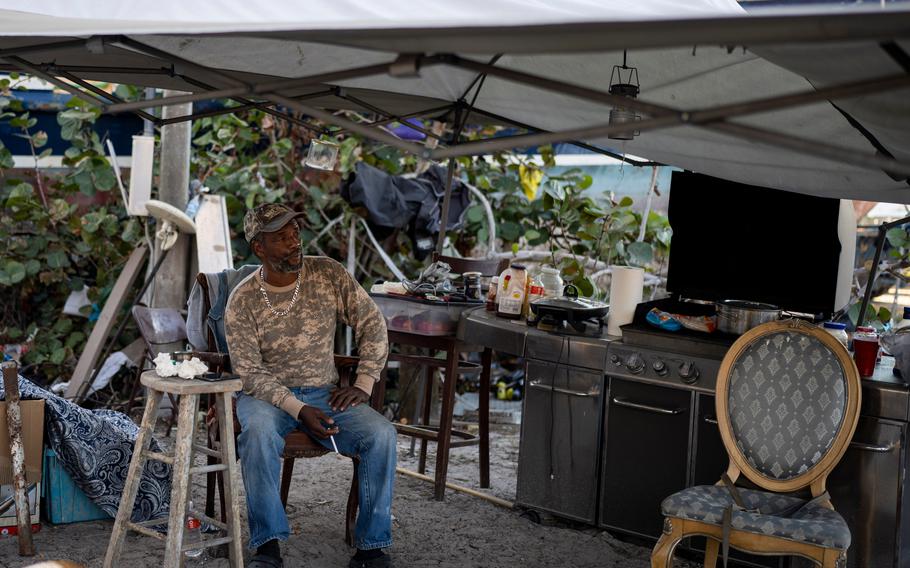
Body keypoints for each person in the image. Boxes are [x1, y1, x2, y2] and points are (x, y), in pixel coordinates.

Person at [225, 203, 396, 568]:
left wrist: (364, 383)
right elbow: (249, 372)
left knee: (381, 434)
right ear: (260, 248)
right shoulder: (242, 300)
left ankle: (371, 549)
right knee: (256, 432)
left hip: (325, 392)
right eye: (281, 237)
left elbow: (373, 323)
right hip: (266, 397)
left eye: (295, 233)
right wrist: (297, 408)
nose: (293, 242)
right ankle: (267, 548)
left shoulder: (328, 274)